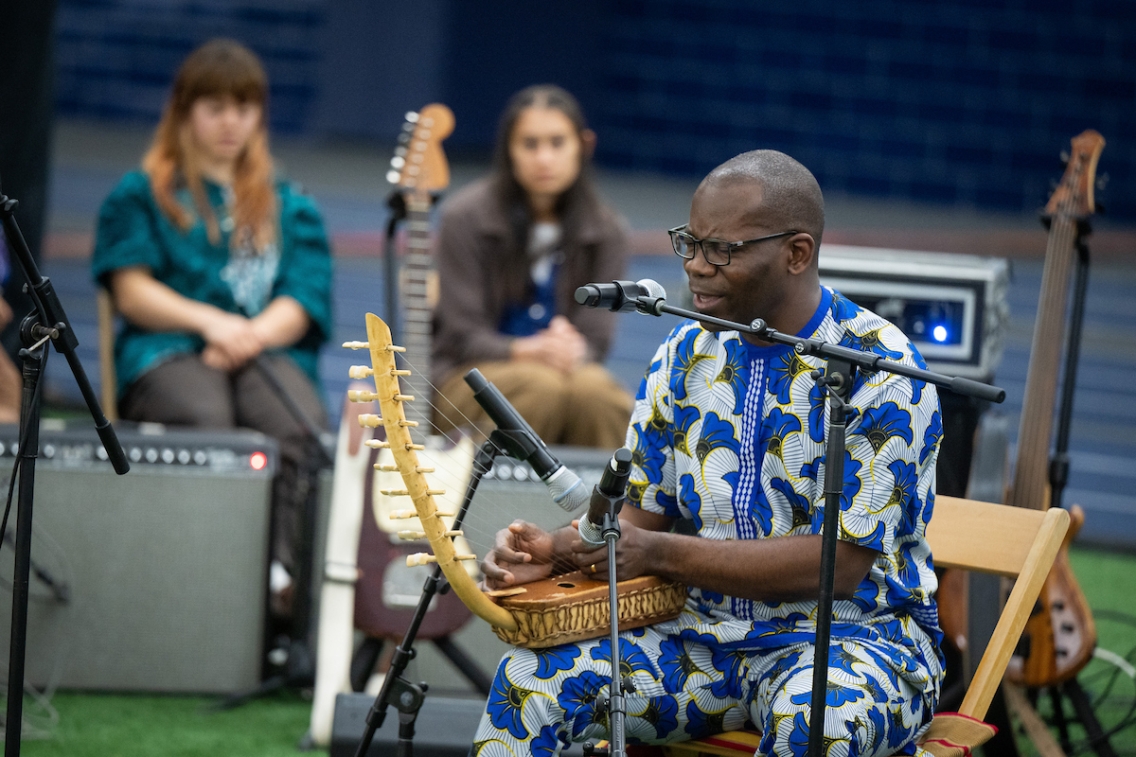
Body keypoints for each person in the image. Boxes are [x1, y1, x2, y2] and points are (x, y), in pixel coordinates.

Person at [473, 151, 944, 757]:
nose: (696, 267)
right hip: (703, 643)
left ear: (797, 253)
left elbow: (838, 566)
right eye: (689, 244)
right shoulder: (684, 353)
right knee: (528, 684)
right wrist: (557, 552)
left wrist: (660, 553)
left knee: (815, 725)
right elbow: (640, 516)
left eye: (723, 250)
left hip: (859, 644)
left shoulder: (882, 369)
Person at [90, 39, 332, 617]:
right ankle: (197, 590)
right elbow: (131, 290)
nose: (231, 122)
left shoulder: (289, 204)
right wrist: (214, 323)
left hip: (262, 353)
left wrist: (247, 335)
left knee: (301, 432)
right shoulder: (139, 194)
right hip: (165, 350)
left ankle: (279, 592)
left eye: (244, 108)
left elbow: (302, 298)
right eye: (215, 107)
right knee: (209, 427)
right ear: (184, 111)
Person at [432, 85, 633, 449]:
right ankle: (490, 502)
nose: (544, 158)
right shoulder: (464, 218)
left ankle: (609, 505)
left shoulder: (606, 231)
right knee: (541, 388)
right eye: (530, 144)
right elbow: (462, 336)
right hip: (465, 376)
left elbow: (596, 340)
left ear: (584, 146)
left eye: (557, 143)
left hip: (566, 373)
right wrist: (527, 350)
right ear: (508, 149)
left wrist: (570, 350)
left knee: (600, 396)